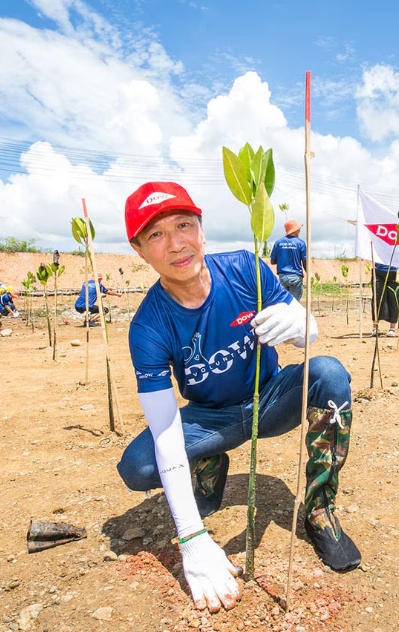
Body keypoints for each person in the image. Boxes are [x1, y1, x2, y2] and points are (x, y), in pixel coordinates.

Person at [115, 182, 361, 613]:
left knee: (329, 373)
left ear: (201, 229)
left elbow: (306, 327)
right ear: (139, 250)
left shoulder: (245, 268)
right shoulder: (148, 326)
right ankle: (209, 468)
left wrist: (303, 324)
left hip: (270, 399)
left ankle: (320, 511)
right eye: (156, 234)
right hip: (210, 418)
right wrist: (192, 539)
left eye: (183, 225)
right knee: (138, 466)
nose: (176, 244)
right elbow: (164, 427)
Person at [269, 220, 307, 300]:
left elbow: (272, 261)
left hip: (282, 277)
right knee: (294, 302)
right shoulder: (301, 243)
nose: (299, 231)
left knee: (284, 301)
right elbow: (304, 261)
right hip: (296, 277)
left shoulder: (278, 243)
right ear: (295, 230)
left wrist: (283, 259)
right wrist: (308, 272)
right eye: (298, 229)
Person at [372, 262, 399, 337]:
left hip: (395, 272)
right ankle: (375, 327)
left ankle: (392, 328)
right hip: (378, 271)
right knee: (377, 298)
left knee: (394, 299)